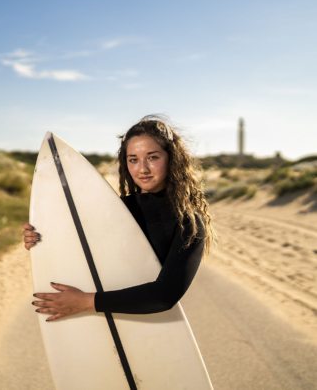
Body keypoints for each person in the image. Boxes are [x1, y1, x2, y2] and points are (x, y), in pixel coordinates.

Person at [23, 114, 213, 321]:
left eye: (153, 157)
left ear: (172, 159)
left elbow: (164, 296)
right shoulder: (118, 209)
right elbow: (78, 244)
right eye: (133, 160)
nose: (142, 169)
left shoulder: (188, 223)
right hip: (100, 322)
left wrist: (86, 302)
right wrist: (40, 237)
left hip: (146, 327)